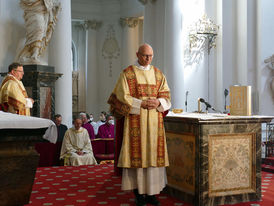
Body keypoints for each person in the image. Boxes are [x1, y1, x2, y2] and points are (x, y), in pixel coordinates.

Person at [107, 44, 171, 206]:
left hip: (155, 124)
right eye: (144, 55)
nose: (148, 58)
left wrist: (158, 101)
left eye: (150, 55)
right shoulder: (128, 73)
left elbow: (166, 96)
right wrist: (140, 104)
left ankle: (152, 194)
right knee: (138, 159)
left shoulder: (158, 74)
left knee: (153, 160)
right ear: (137, 54)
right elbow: (121, 97)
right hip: (136, 122)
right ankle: (138, 194)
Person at [17, 0, 60, 64]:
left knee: (41, 32)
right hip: (32, 12)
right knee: (37, 30)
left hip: (42, 13)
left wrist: (55, 5)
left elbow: (50, 4)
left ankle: (35, 54)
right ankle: (32, 55)